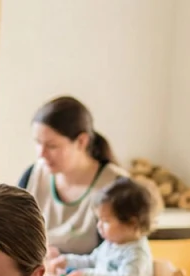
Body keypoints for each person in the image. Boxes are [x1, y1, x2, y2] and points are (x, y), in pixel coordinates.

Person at [20, 96, 133, 256]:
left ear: (81, 141)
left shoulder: (117, 186)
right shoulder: (32, 176)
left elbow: (121, 258)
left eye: (52, 146)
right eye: (38, 143)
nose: (41, 154)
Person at [44, 176, 157, 276]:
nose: (99, 226)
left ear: (131, 222)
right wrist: (66, 261)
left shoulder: (137, 253)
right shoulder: (111, 244)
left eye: (106, 221)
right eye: (99, 220)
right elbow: (91, 260)